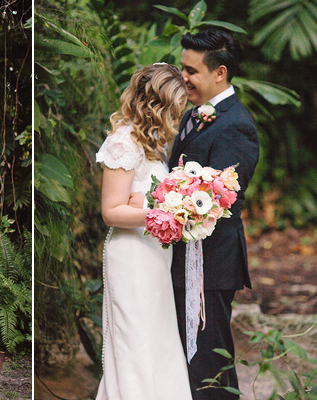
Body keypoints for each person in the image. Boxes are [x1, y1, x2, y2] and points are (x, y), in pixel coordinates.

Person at [169, 29, 259, 399]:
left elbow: (222, 200)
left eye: (191, 71)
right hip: (182, 258)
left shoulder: (236, 124)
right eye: (182, 68)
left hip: (210, 264)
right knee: (187, 362)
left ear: (219, 73)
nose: (183, 78)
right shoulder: (195, 115)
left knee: (210, 365)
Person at [95, 63, 193, 399]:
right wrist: (156, 211)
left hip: (154, 256)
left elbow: (143, 199)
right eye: (177, 107)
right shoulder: (123, 142)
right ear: (159, 106)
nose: (179, 114)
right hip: (131, 257)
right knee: (134, 340)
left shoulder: (151, 140)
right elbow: (110, 211)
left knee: (157, 338)